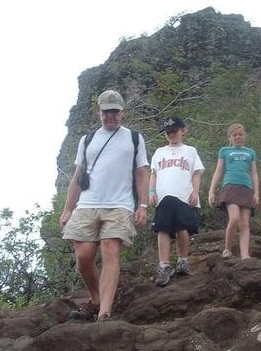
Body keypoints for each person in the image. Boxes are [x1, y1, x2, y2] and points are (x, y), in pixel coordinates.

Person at [60, 89, 149, 322]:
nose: (110, 116)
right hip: (87, 204)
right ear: (99, 112)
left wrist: (143, 205)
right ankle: (96, 298)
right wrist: (67, 209)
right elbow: (78, 176)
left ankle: (104, 314)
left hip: (120, 205)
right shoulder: (87, 140)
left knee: (110, 249)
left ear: (122, 112)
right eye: (106, 112)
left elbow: (142, 173)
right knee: (83, 256)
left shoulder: (134, 138)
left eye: (114, 112)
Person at [149, 117, 204, 287]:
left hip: (183, 194)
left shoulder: (190, 151)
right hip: (164, 195)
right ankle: (164, 265)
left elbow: (196, 172)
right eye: (168, 132)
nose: (171, 134)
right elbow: (153, 173)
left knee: (182, 227)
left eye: (174, 130)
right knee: (162, 229)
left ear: (183, 130)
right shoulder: (159, 152)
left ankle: (183, 260)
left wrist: (195, 192)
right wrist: (151, 191)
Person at [208, 123, 259, 260]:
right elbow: (218, 171)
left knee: (245, 223)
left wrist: (256, 193)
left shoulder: (251, 152)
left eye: (240, 134)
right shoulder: (224, 151)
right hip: (230, 187)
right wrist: (211, 191)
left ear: (245, 136)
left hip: (246, 188)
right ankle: (227, 249)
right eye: (235, 135)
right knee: (235, 218)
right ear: (230, 137)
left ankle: (245, 255)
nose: (238, 137)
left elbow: (254, 174)